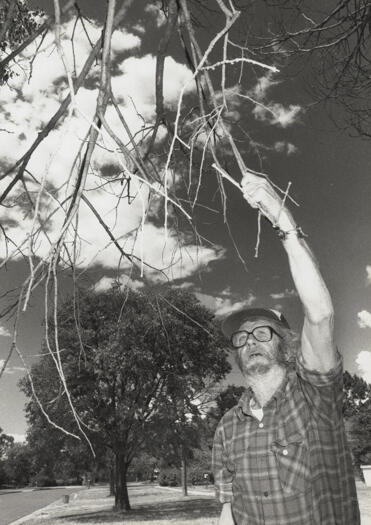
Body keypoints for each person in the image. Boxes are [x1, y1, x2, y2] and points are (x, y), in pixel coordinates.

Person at [212, 175, 360, 525]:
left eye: (262, 332)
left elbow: (321, 315)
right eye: (242, 337)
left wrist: (283, 221)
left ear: (286, 342)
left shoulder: (315, 398)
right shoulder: (227, 427)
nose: (250, 341)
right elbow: (227, 511)